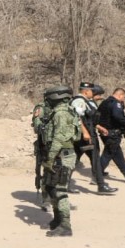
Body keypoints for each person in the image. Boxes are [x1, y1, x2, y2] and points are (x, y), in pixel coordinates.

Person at [41, 85, 82, 237]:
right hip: (61, 155)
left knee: (60, 190)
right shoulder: (63, 112)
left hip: (61, 156)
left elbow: (58, 138)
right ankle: (58, 220)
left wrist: (50, 158)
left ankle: (65, 225)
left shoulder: (61, 113)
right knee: (51, 188)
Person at [71, 82, 117, 194]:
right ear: (86, 91)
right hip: (85, 136)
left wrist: (99, 127)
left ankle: (63, 184)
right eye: (92, 91)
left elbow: (88, 118)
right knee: (95, 159)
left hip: (87, 134)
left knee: (75, 160)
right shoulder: (79, 101)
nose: (94, 93)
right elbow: (77, 118)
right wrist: (85, 133)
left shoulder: (86, 101)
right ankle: (101, 186)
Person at [97, 87, 125, 183]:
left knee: (116, 154)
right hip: (112, 133)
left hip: (105, 132)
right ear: (120, 95)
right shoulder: (115, 104)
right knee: (108, 154)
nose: (123, 99)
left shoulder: (104, 102)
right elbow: (117, 116)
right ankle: (97, 175)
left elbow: (98, 116)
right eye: (124, 97)